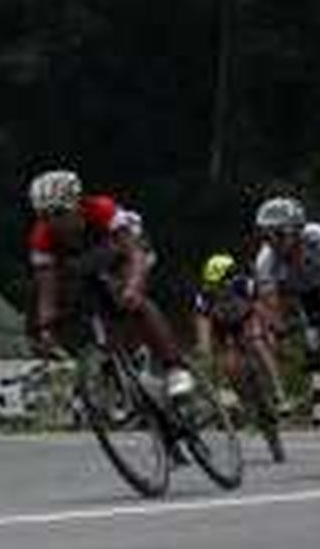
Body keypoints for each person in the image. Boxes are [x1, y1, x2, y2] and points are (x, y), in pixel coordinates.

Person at [26, 169, 194, 396]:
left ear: (77, 205)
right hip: (88, 264)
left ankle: (175, 367)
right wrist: (46, 328)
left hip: (124, 251)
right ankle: (118, 365)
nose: (53, 221)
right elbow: (47, 290)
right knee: (78, 301)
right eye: (44, 215)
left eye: (59, 212)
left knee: (129, 300)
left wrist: (133, 288)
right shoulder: (41, 236)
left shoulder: (101, 209)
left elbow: (135, 255)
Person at [253, 196, 320, 347]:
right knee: (310, 343)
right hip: (298, 294)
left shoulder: (316, 235)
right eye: (266, 236)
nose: (273, 242)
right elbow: (269, 298)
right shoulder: (265, 259)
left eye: (279, 234)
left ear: (297, 229)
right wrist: (278, 326)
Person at [193, 252, 290, 414]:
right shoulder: (205, 296)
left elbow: (260, 309)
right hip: (221, 325)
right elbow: (202, 323)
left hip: (245, 318)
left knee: (257, 344)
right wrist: (205, 349)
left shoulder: (244, 284)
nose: (218, 289)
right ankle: (229, 393)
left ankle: (279, 393)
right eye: (213, 285)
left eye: (222, 284)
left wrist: (275, 330)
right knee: (226, 359)